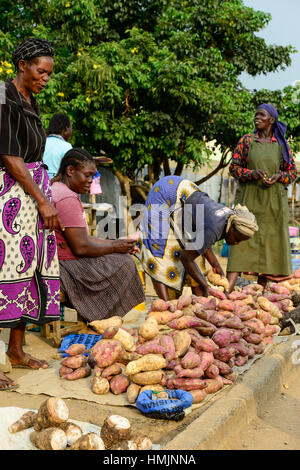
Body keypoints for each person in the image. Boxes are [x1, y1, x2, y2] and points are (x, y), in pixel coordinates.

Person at [0, 38, 64, 390]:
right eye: (41, 71)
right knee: (3, 272)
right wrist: (42, 199)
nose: (46, 79)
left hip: (31, 195)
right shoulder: (1, 94)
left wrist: (41, 196)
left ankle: (16, 351)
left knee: (28, 270)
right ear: (22, 65)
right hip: (9, 194)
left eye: (49, 74)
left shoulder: (30, 100)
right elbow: (9, 154)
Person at [51, 148, 145, 322]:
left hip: (60, 261)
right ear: (70, 171)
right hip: (65, 268)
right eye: (87, 175)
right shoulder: (67, 198)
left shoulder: (56, 188)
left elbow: (82, 238)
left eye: (92, 176)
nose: (90, 181)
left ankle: (102, 320)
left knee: (118, 255)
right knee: (125, 264)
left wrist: (116, 244)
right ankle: (102, 320)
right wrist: (115, 246)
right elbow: (81, 247)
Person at [136, 175, 258, 300]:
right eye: (237, 238)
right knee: (160, 252)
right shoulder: (216, 227)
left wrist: (215, 264)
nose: (236, 243)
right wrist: (205, 285)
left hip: (185, 193)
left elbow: (203, 242)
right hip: (164, 194)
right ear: (231, 228)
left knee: (197, 258)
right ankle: (166, 305)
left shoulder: (229, 218)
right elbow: (186, 258)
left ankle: (198, 300)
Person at [226, 103, 297, 292]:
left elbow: (292, 173)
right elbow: (233, 168)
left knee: (269, 249)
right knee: (240, 248)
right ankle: (226, 292)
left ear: (271, 120)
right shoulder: (247, 141)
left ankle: (261, 293)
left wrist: (278, 177)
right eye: (256, 115)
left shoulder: (281, 145)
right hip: (248, 205)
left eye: (261, 115)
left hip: (273, 206)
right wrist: (251, 174)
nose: (256, 118)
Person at [43, 113, 73, 180]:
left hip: (38, 182)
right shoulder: (67, 146)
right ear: (65, 129)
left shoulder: (42, 142)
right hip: (56, 184)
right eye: (71, 128)